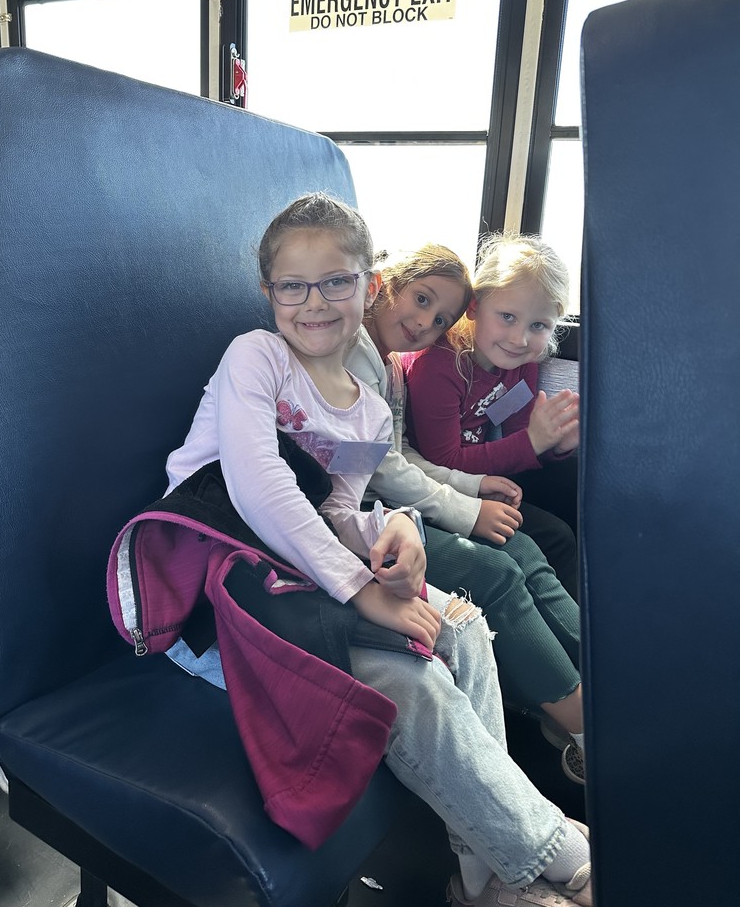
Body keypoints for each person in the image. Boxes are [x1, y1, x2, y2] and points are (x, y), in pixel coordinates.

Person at [164, 194, 593, 907]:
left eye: (337, 281)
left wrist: (390, 532)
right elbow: (259, 486)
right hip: (216, 594)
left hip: (301, 585)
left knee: (464, 626)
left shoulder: (365, 406)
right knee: (411, 686)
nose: (315, 302)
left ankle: (484, 875)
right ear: (269, 292)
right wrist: (364, 590)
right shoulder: (258, 357)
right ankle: (549, 853)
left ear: (369, 284)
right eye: (292, 285)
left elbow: (335, 510)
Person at [344, 243, 585, 782]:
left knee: (526, 543)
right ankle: (581, 722)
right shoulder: (372, 361)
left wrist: (476, 489)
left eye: (440, 318)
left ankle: (588, 676)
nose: (424, 323)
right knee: (496, 569)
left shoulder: (388, 370)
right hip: (362, 512)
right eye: (420, 300)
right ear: (382, 284)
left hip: (395, 497)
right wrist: (465, 505)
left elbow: (400, 458)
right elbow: (373, 469)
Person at [403, 232, 580, 549]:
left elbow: (519, 437)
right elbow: (442, 461)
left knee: (575, 487)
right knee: (558, 539)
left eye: (538, 325)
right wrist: (532, 442)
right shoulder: (439, 366)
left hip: (483, 473)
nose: (519, 339)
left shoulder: (522, 362)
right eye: (507, 317)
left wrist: (554, 444)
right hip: (436, 485)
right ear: (474, 306)